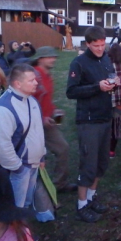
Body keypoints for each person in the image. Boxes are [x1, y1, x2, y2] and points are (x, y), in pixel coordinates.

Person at [66, 26, 115, 223]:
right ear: (88, 44)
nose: (100, 49)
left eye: (103, 45)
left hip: (105, 116)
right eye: (96, 46)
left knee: (102, 163)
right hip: (88, 120)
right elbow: (71, 92)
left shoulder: (105, 58)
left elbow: (108, 78)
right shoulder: (79, 63)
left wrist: (112, 85)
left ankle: (91, 197)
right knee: (88, 163)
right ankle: (81, 205)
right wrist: (97, 87)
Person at [0, 64, 45, 209]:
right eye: (31, 80)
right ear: (17, 84)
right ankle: (15, 230)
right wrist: (18, 168)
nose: (36, 83)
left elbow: (37, 131)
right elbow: (0, 146)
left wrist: (41, 157)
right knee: (15, 207)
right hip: (19, 169)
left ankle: (23, 228)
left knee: (26, 203)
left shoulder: (31, 100)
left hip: (33, 164)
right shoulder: (3, 109)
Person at [29, 47, 74, 194]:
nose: (53, 59)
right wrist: (41, 118)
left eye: (54, 56)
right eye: (49, 57)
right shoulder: (34, 76)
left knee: (63, 148)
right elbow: (26, 102)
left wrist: (54, 110)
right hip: (33, 124)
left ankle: (59, 184)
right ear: (40, 58)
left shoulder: (48, 76)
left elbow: (45, 99)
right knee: (37, 158)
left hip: (48, 122)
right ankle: (37, 191)